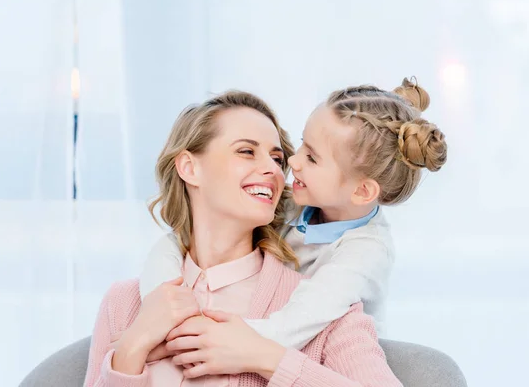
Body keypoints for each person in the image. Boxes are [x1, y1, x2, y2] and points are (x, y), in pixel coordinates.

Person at [83, 91, 402, 386]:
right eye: (247, 151)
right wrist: (134, 346)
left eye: (276, 159)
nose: (276, 169)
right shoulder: (123, 302)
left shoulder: (327, 311)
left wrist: (268, 360)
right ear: (189, 168)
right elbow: (174, 241)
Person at [140, 78, 448, 349]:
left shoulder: (366, 253)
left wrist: (197, 332)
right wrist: (161, 300)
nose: (291, 162)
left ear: (362, 191)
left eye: (312, 158)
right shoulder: (292, 204)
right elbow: (179, 239)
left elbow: (289, 328)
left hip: (334, 353)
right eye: (301, 145)